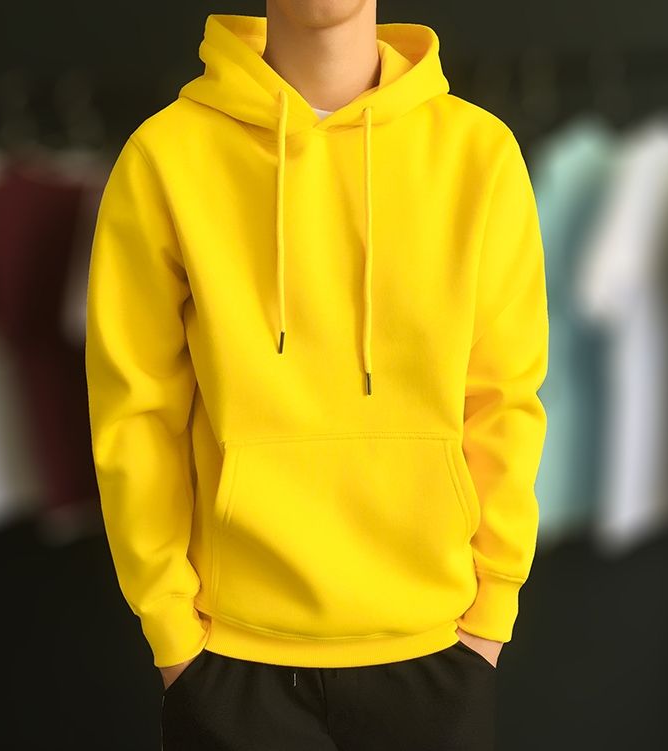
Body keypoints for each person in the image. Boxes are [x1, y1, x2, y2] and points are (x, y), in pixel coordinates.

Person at [85, 1, 549, 748]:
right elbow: (135, 413)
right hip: (229, 657)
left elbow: (505, 400)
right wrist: (172, 632)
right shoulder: (164, 156)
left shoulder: (479, 153)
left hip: (438, 650)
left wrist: (491, 613)